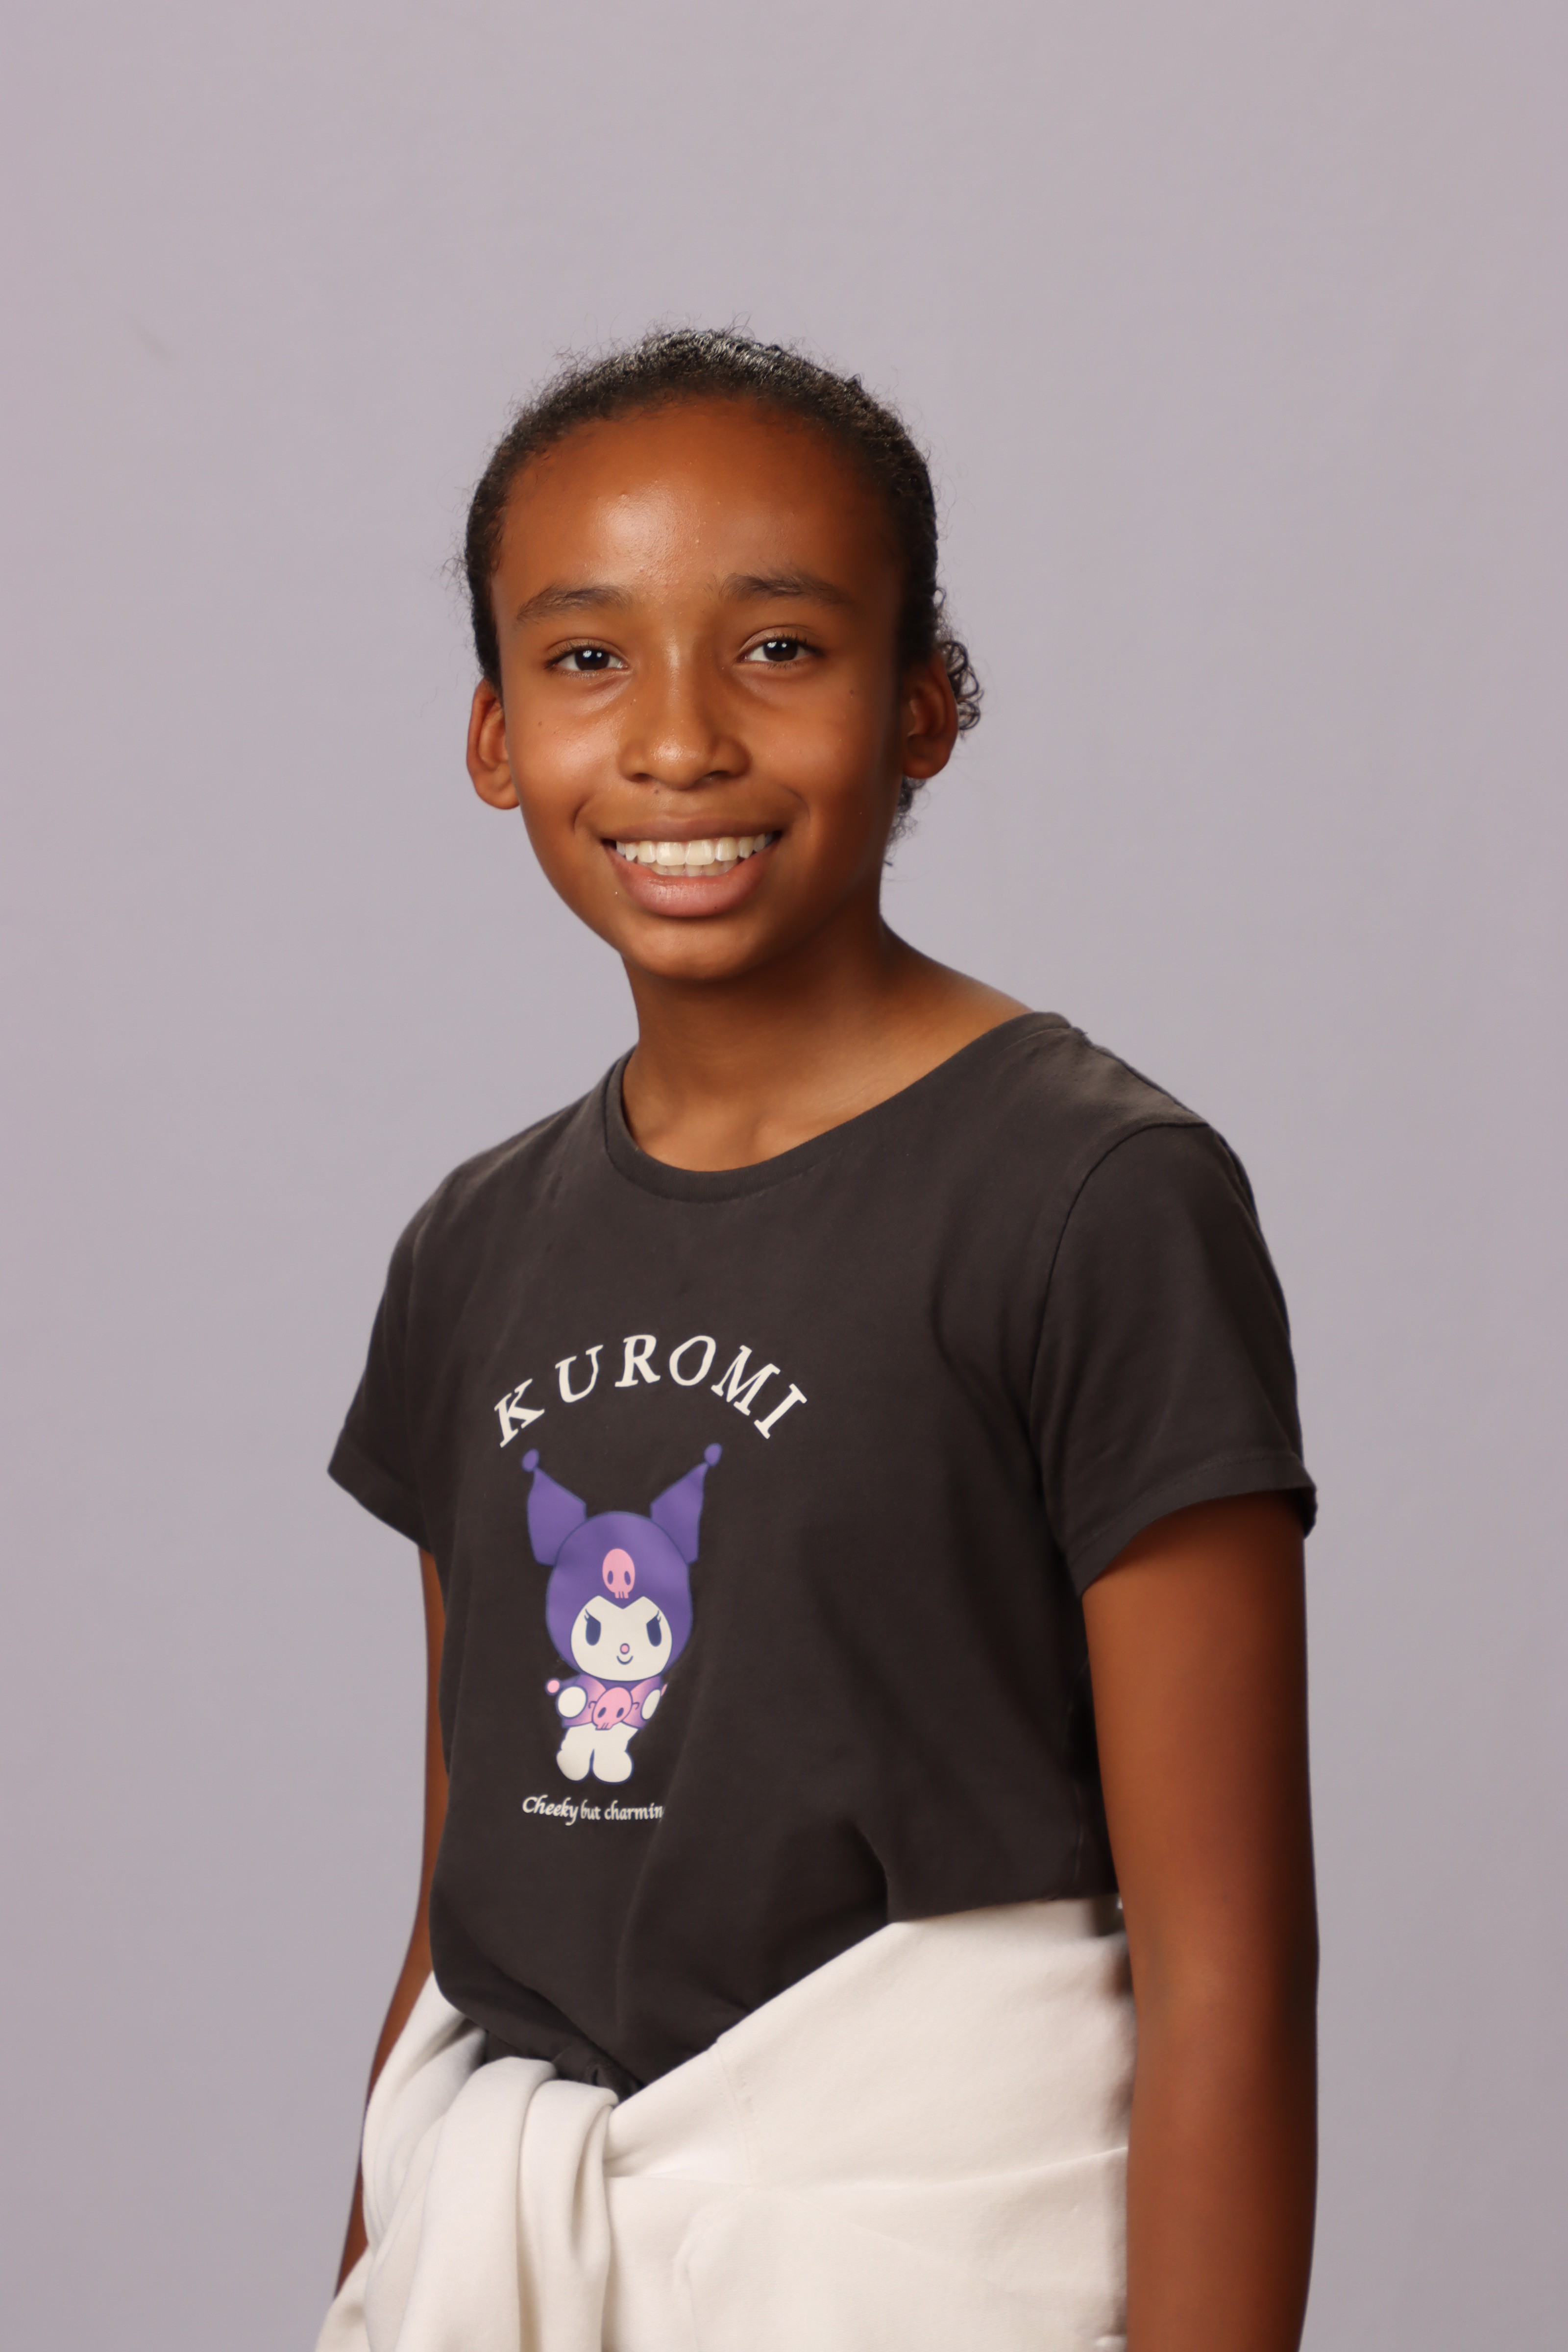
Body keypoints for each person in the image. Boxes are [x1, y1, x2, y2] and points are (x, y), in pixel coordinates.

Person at [316, 328, 1318, 2352]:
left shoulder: (1094, 1199)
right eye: (586, 657)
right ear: (496, 733)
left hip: (933, 2268)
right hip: (506, 2270)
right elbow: (460, 1890)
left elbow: (1230, 1967)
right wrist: (368, 2275)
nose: (677, 739)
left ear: (923, 704)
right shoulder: (472, 1248)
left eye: (778, 648)